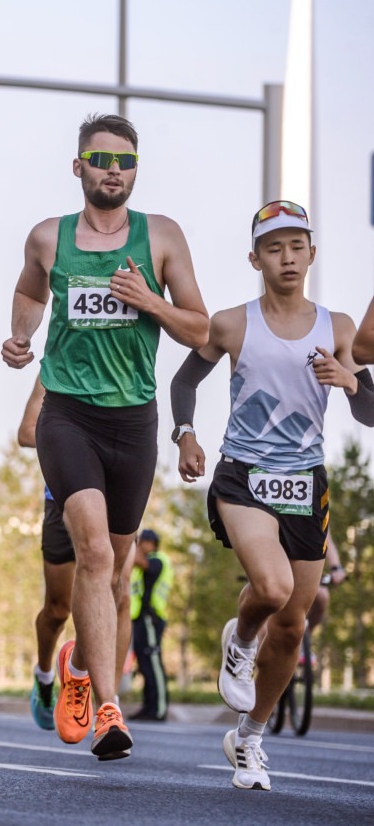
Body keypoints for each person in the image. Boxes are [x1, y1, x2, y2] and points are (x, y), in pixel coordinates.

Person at [1, 113, 209, 760]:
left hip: (133, 420)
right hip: (68, 413)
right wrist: (21, 336)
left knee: (118, 573)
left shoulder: (162, 237)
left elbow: (199, 330)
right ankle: (109, 712)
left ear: (134, 171)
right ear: (79, 166)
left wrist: (150, 302)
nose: (112, 170)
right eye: (100, 158)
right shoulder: (48, 237)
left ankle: (84, 670)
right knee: (92, 554)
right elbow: (29, 290)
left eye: (124, 161)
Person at [171, 199, 374, 791]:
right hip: (243, 475)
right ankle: (240, 640)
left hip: (306, 482)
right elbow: (186, 380)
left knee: (294, 624)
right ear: (255, 258)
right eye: (274, 247)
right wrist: (185, 434)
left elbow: (368, 412)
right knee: (273, 587)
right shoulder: (234, 323)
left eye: (296, 245)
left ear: (312, 252)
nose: (287, 257)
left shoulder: (338, 328)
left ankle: (250, 739)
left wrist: (351, 381)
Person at [17, 380, 76, 731]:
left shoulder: (124, 361)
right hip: (60, 500)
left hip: (112, 501)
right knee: (58, 609)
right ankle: (43, 675)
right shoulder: (52, 371)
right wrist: (78, 443)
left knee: (111, 594)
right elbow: (25, 433)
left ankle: (100, 698)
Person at [129, 528, 171, 721]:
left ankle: (159, 708)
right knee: (144, 665)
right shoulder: (143, 561)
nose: (140, 545)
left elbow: (142, 563)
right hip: (140, 619)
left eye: (142, 542)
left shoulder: (158, 560)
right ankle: (148, 707)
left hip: (151, 619)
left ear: (151, 543)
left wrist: (130, 544)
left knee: (153, 663)